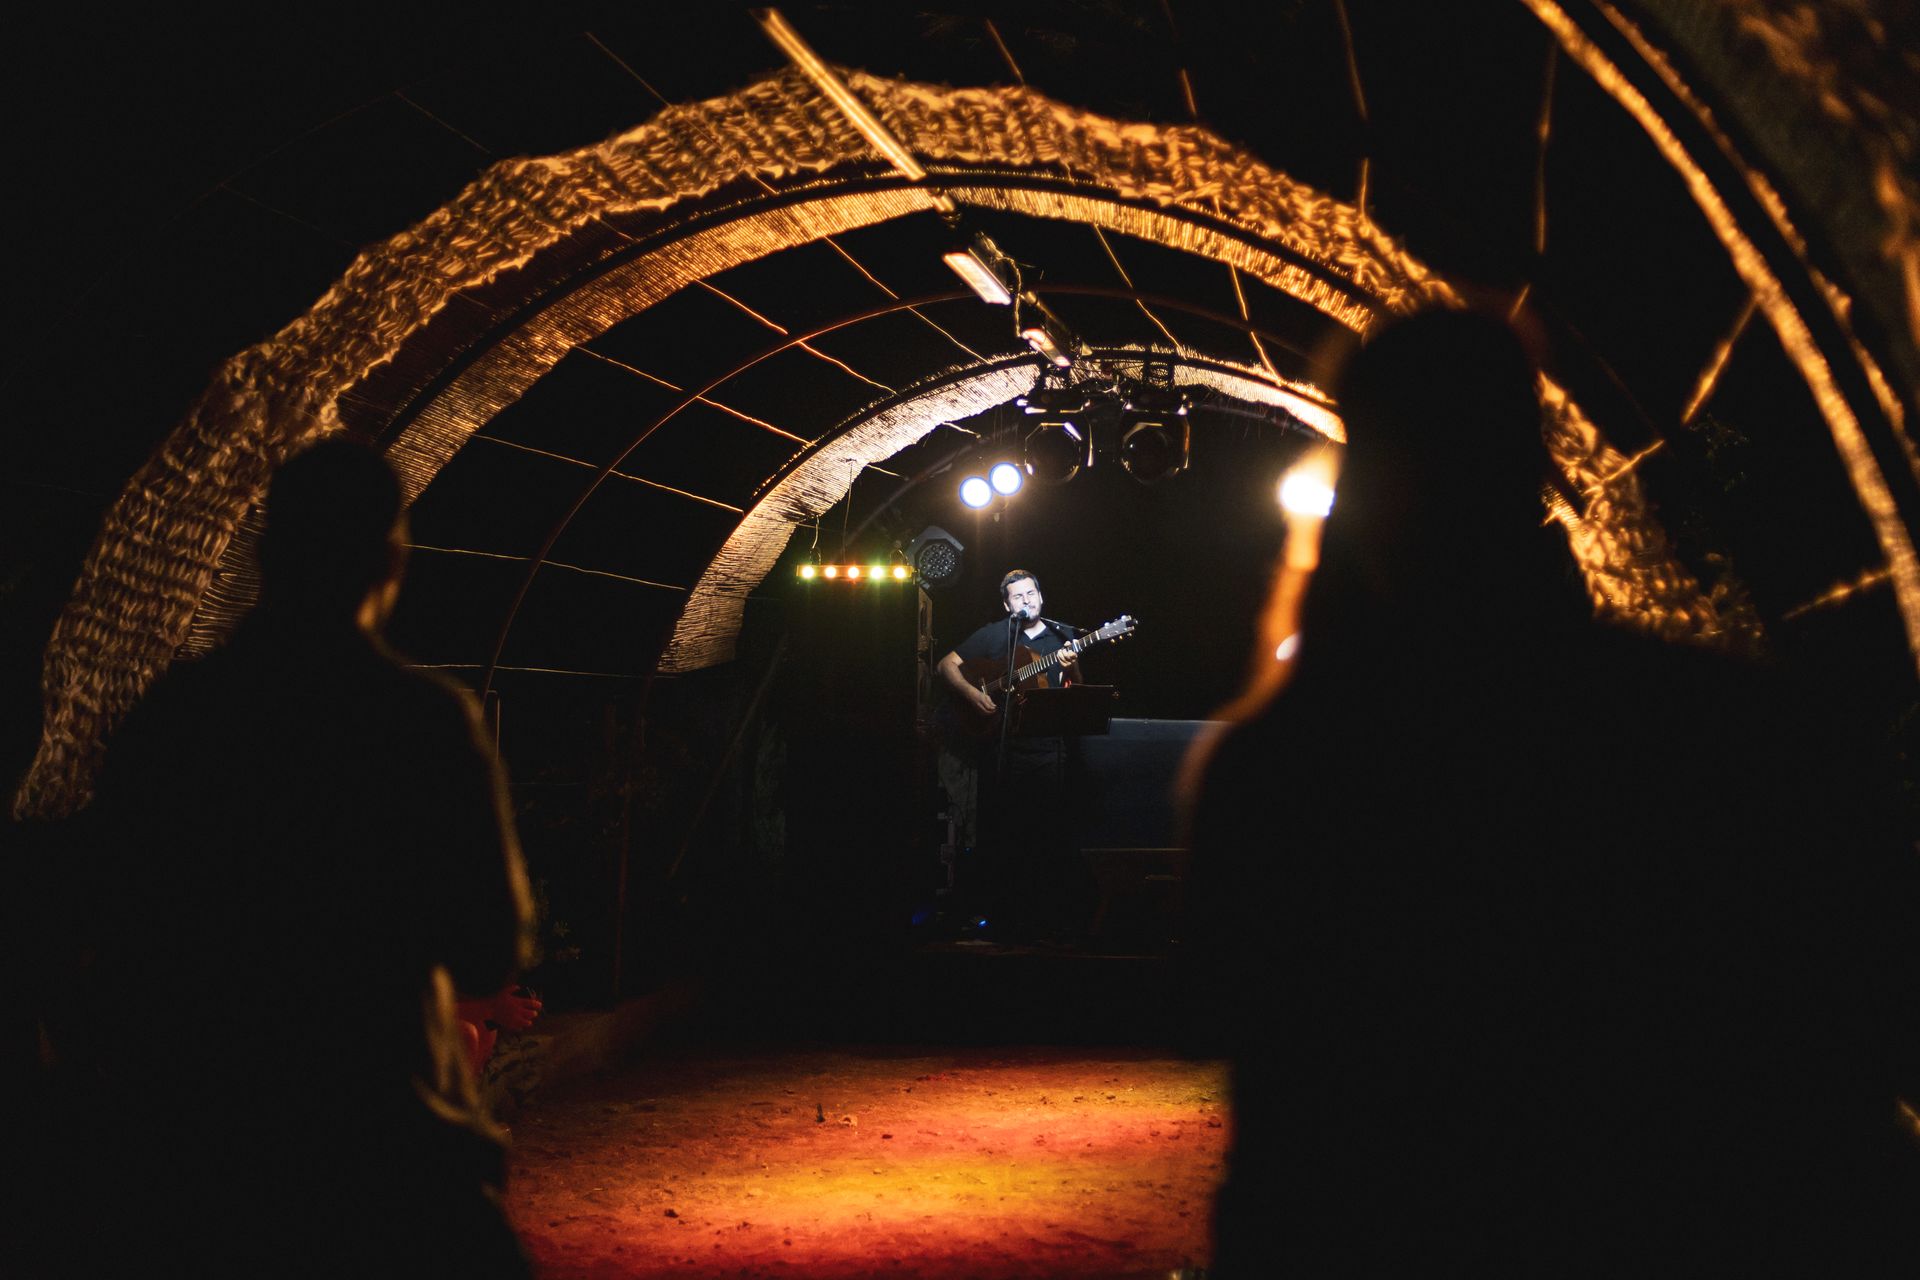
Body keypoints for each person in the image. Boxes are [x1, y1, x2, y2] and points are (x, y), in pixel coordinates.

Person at [1184, 310, 1917, 1274]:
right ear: (1533, 465)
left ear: (1359, 488)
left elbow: (1220, 1018)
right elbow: (1846, 1038)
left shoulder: (1282, 760)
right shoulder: (1723, 725)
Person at [57, 437, 537, 1277]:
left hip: (195, 1136)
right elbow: (490, 940)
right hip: (372, 1124)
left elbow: (102, 909)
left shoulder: (177, 717)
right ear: (390, 562)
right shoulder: (420, 723)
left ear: (266, 556)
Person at [933, 571, 1081, 937]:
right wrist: (973, 694)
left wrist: (1072, 666)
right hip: (1000, 749)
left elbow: (1077, 692)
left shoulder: (1062, 636)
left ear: (1041, 596)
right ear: (1007, 604)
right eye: (1018, 596)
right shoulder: (994, 634)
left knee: (1045, 835)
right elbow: (945, 665)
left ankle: (1045, 919)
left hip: (1048, 751)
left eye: (1031, 593)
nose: (1026, 600)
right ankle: (1003, 918)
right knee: (1002, 835)